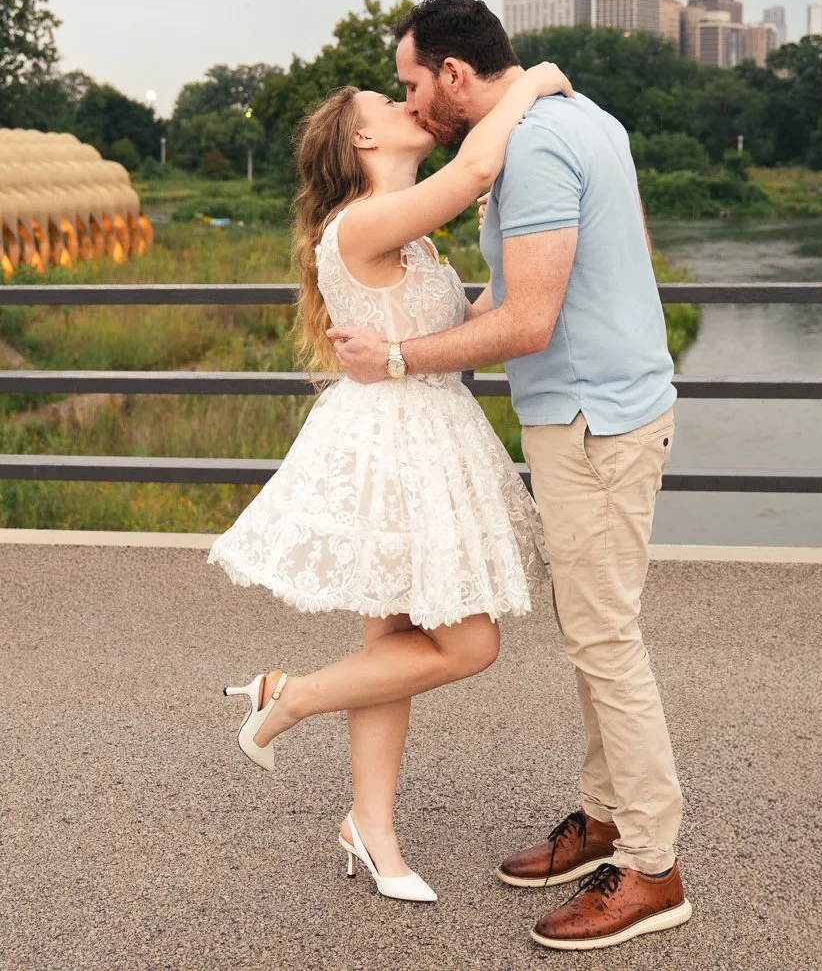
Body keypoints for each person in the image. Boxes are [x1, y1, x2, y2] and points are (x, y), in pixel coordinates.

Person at [330, 0, 691, 952]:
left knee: (606, 637)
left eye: (413, 83)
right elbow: (565, 277)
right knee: (592, 629)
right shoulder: (580, 118)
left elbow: (526, 321)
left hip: (593, 420)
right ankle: (605, 815)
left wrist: (400, 358)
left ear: (454, 74)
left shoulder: (529, 146)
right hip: (603, 406)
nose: (412, 103)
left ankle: (652, 868)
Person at [209, 55, 572, 904]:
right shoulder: (359, 225)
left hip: (429, 437)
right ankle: (290, 698)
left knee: (395, 648)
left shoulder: (410, 235)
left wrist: (521, 258)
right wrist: (536, 80)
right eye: (391, 99)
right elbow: (479, 162)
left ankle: (368, 826)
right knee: (467, 643)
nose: (412, 102)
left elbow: (470, 319)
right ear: (362, 135)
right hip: (394, 446)